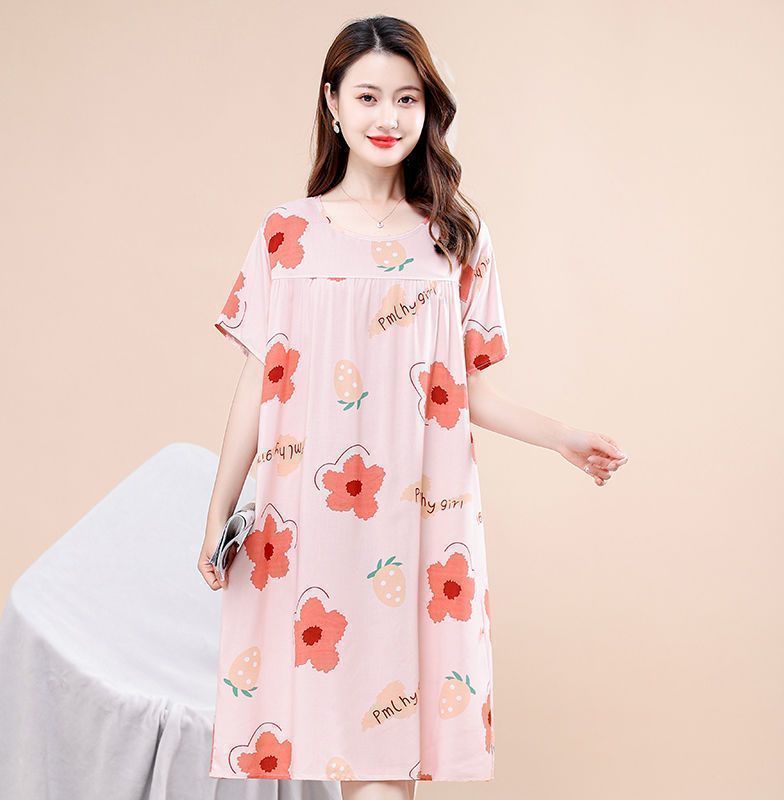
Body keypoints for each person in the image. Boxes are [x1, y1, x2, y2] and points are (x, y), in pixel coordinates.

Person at [198, 14, 628, 800]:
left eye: (407, 99)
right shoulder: (286, 234)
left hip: (419, 518)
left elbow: (466, 392)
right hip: (306, 519)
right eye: (368, 96)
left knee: (388, 759)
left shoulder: (455, 237)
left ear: (428, 110)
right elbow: (261, 381)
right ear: (332, 102)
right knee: (333, 744)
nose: (388, 117)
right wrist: (218, 511)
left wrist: (562, 436)